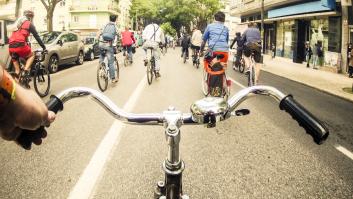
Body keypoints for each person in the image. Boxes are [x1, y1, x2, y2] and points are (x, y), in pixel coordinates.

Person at [0, 64, 56, 149]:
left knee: (16, 64)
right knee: (31, 55)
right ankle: (25, 70)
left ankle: (18, 72)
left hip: (13, 52)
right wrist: (14, 102)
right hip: (23, 51)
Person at [8, 10, 46, 80]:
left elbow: (21, 37)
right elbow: (36, 36)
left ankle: (16, 86)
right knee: (32, 54)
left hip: (10, 47)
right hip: (20, 46)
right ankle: (26, 70)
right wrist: (44, 47)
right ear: (31, 17)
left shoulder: (17, 24)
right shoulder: (29, 24)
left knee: (17, 70)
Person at [200, 11, 229, 97]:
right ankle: (224, 86)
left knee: (208, 65)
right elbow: (226, 41)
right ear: (223, 19)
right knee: (221, 68)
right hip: (224, 53)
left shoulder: (209, 26)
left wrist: (201, 51)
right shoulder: (226, 28)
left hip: (213, 52)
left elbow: (204, 41)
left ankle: (211, 85)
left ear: (214, 18)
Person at [97, 15, 119, 83]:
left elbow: (99, 33)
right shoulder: (115, 26)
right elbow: (119, 35)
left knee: (102, 56)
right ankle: (112, 78)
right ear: (115, 20)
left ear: (109, 19)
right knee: (111, 62)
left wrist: (99, 40)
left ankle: (101, 69)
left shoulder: (105, 25)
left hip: (101, 44)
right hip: (108, 45)